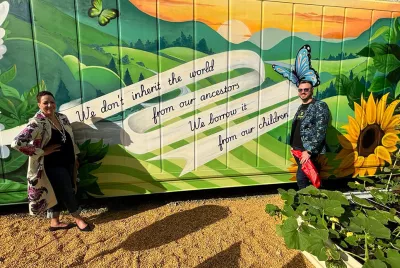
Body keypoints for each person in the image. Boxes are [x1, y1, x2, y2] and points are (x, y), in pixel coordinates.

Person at [11, 91, 92, 232]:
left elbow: (70, 139)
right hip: (52, 165)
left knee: (55, 191)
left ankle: (55, 221)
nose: (50, 105)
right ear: (39, 105)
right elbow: (17, 143)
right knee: (66, 190)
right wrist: (42, 152)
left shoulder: (62, 118)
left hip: (67, 162)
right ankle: (78, 218)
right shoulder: (37, 123)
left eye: (52, 102)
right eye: (45, 102)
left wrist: (76, 156)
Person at [290, 80, 330, 189]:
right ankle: (318, 199)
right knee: (312, 175)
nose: (303, 92)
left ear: (312, 90)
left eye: (306, 89)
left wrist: (309, 150)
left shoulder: (319, 105)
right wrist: (293, 146)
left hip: (307, 150)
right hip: (298, 149)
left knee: (302, 178)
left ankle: (305, 201)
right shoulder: (301, 107)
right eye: (300, 90)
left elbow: (321, 130)